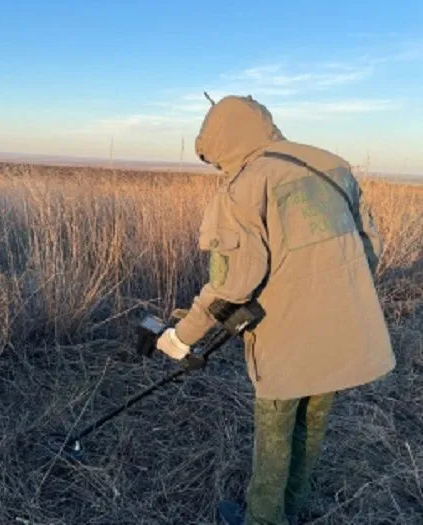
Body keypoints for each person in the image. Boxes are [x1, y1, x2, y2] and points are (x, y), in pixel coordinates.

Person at [155, 95, 396, 525]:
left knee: (275, 436)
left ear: (222, 139)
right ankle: (294, 508)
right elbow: (370, 247)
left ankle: (265, 519)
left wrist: (180, 337)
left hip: (286, 341)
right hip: (343, 332)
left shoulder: (246, 183)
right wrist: (341, 299)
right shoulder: (332, 164)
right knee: (313, 427)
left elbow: (233, 283)